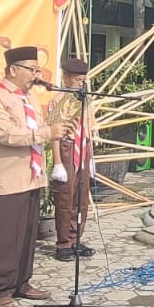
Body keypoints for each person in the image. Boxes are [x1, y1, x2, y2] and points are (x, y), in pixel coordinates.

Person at [0, 46, 72, 307]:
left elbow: (40, 129)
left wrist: (58, 129)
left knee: (27, 235)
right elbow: (5, 134)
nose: (36, 75)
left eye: (37, 69)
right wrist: (46, 133)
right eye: (31, 69)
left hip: (32, 177)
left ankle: (21, 282)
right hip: (6, 179)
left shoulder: (28, 97)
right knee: (5, 237)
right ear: (13, 69)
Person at [49, 55, 96, 263]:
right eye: (77, 79)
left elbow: (90, 127)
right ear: (65, 77)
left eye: (83, 80)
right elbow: (54, 134)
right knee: (65, 198)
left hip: (83, 149)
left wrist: (91, 156)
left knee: (81, 198)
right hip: (66, 149)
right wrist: (57, 163)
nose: (80, 83)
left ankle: (76, 238)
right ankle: (63, 243)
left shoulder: (85, 98)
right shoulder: (58, 100)